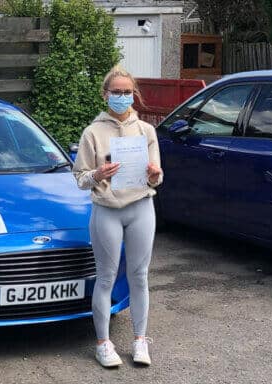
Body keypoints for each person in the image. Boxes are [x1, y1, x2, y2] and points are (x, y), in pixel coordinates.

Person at [72, 65, 163, 368]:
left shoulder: (146, 131)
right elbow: (80, 177)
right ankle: (103, 343)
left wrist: (154, 174)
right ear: (105, 94)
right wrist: (98, 173)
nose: (122, 97)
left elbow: (156, 178)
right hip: (107, 209)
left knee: (139, 275)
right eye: (117, 92)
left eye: (127, 92)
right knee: (107, 276)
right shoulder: (93, 132)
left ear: (133, 94)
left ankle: (140, 340)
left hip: (140, 207)